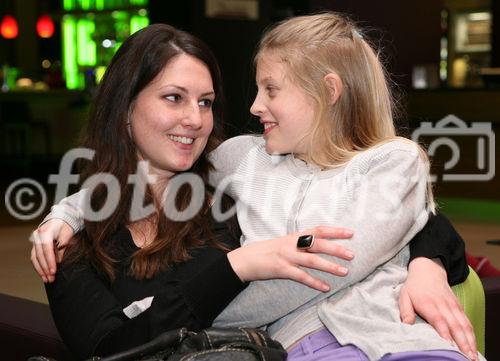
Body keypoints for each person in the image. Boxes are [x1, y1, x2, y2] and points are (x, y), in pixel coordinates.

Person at [31, 18, 477, 360]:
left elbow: (408, 215)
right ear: (124, 106)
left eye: (205, 102)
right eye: (174, 98)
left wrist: (428, 263)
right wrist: (67, 213)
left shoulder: (224, 187)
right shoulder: (72, 246)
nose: (195, 119)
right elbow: (112, 348)